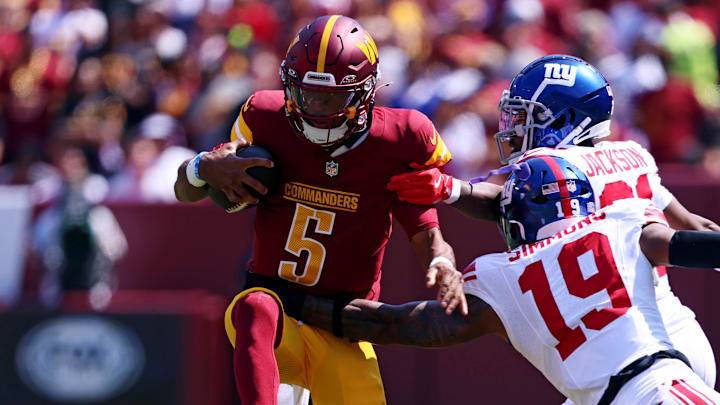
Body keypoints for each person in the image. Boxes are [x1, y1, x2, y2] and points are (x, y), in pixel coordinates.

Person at [173, 15, 466, 405]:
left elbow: (423, 220)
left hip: (343, 322)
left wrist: (442, 261)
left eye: (329, 98)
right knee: (254, 305)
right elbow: (185, 190)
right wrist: (201, 167)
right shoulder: (265, 117)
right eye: (306, 93)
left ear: (365, 92)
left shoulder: (401, 138)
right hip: (276, 313)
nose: (313, 107)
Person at [386, 55, 719, 393]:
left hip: (633, 345)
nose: (514, 126)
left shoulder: (556, 165)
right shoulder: (631, 155)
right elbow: (698, 227)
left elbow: (510, 205)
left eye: (527, 115)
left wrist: (451, 189)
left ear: (568, 116)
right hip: (678, 328)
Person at [275, 156, 720, 404]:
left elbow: (393, 324)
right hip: (663, 387)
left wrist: (293, 300)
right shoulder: (621, 220)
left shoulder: (503, 274)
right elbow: (688, 244)